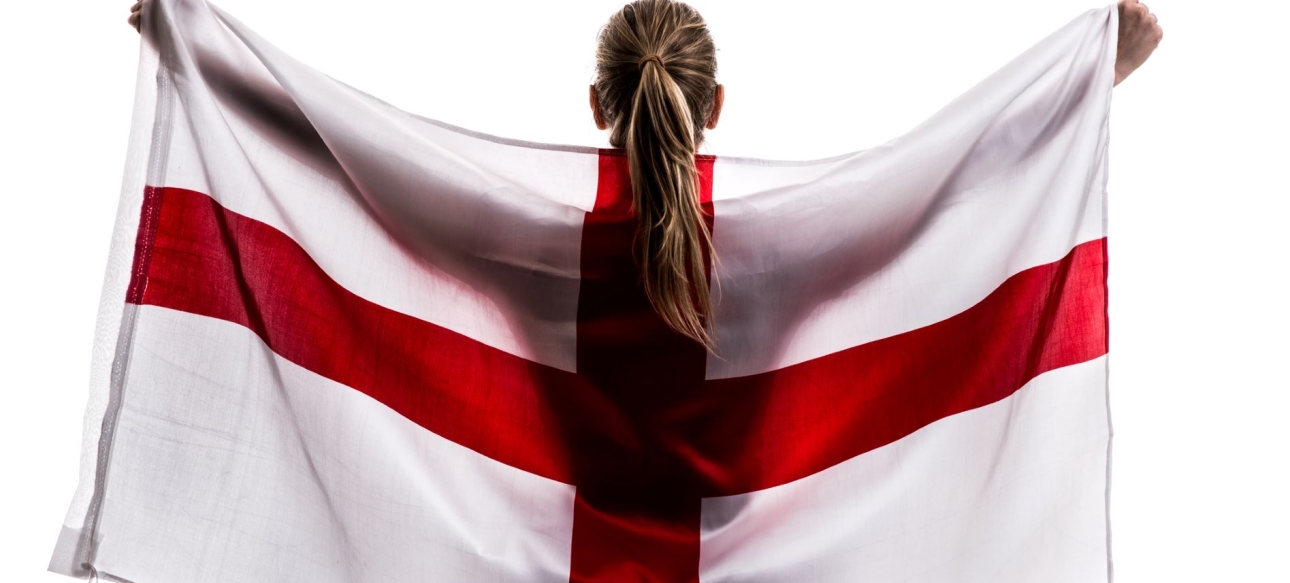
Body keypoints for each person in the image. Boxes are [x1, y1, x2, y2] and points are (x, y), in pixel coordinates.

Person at [126, 0, 1162, 347]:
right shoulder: (787, 238)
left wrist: (204, 58)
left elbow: (351, 170)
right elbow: (952, 190)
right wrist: (1095, 76)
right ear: (716, 110)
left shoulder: (520, 235)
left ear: (595, 108)